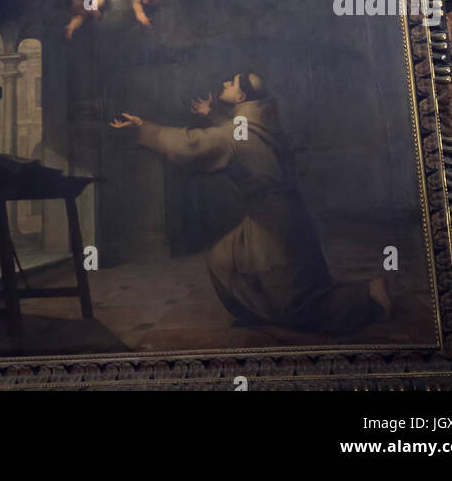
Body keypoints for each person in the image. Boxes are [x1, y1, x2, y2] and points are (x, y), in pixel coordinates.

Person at [111, 71, 391, 334]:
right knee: (224, 259)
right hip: (279, 213)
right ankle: (259, 313)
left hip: (274, 221)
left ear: (242, 98)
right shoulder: (261, 122)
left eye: (231, 83)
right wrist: (212, 115)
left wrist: (142, 129)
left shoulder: (239, 130)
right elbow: (237, 137)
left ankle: (368, 295)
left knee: (299, 304)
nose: (224, 85)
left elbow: (193, 145)